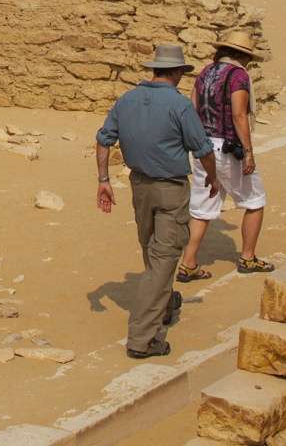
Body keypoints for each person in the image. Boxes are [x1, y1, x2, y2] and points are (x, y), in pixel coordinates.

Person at [95, 42, 221, 359]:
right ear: (178, 72)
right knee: (163, 260)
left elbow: (103, 140)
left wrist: (103, 181)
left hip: (139, 187)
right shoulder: (179, 106)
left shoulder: (127, 100)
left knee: (152, 250)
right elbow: (202, 147)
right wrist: (213, 176)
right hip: (170, 190)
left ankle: (164, 303)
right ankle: (143, 338)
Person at [177, 31, 272, 280]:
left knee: (202, 206)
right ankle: (248, 257)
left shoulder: (206, 72)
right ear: (243, 56)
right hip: (229, 148)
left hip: (203, 148)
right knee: (254, 201)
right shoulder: (238, 75)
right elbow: (239, 115)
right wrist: (249, 152)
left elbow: (193, 106)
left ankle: (188, 262)